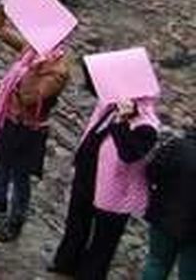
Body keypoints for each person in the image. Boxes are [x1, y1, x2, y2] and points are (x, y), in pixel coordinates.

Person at [0, 2, 70, 242]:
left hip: (29, 129)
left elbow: (31, 97)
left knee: (20, 176)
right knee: (2, 164)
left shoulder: (57, 71)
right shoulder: (31, 50)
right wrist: (3, 6)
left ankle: (16, 218)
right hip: (10, 118)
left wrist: (30, 71)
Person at [52, 89, 160, 279]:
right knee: (76, 224)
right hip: (88, 177)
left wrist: (122, 123)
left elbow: (128, 154)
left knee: (104, 239)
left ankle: (90, 274)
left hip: (116, 191)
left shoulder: (147, 127)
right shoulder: (110, 109)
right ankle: (66, 263)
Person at [142, 127, 195, 278]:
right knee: (190, 273)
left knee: (156, 263)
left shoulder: (177, 146)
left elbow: (152, 171)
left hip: (164, 217)